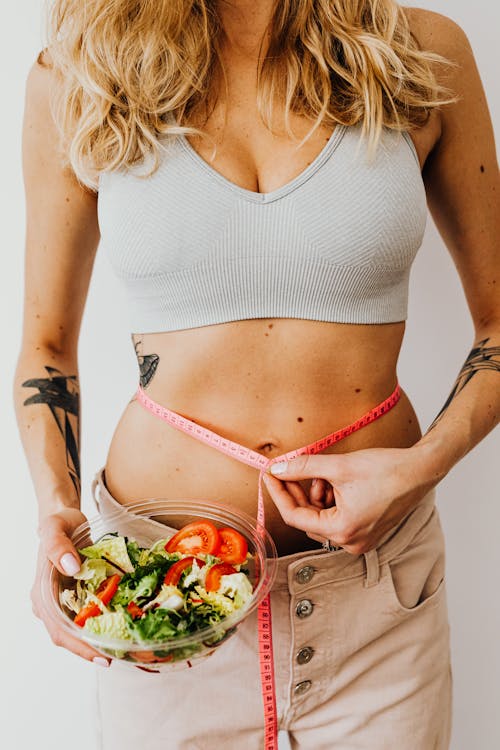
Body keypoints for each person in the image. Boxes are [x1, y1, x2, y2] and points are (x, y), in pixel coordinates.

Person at [14, 0, 499, 748]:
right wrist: (55, 516)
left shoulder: (419, 52)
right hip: (160, 600)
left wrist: (420, 469)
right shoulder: (80, 69)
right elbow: (46, 348)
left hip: (375, 599)